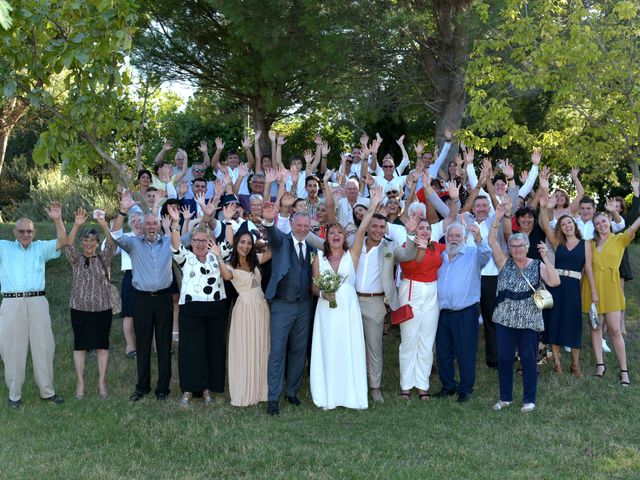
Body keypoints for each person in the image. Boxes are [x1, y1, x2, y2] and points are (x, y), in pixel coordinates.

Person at [310, 186, 383, 410]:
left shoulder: (353, 254)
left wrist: (371, 208)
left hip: (348, 308)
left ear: (344, 238)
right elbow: (314, 287)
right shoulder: (318, 259)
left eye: (339, 233)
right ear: (327, 237)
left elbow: (361, 230)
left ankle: (351, 394)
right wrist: (323, 293)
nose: (335, 235)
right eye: (332, 233)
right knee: (328, 347)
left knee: (348, 347)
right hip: (326, 309)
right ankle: (328, 395)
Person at [489, 204, 560, 413]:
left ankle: (529, 399)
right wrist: (498, 218)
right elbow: (492, 241)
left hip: (529, 319)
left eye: (521, 246)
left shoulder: (537, 265)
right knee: (504, 358)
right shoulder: (504, 263)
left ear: (527, 247)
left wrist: (546, 256)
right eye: (513, 246)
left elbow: (555, 282)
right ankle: (505, 398)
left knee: (528, 359)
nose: (517, 249)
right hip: (504, 319)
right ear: (509, 249)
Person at [109, 191, 174, 402]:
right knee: (143, 344)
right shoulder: (133, 243)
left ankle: (163, 389)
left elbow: (193, 236)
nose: (152, 226)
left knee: (163, 345)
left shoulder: (168, 243)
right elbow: (115, 236)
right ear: (143, 226)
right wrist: (123, 210)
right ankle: (142, 386)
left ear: (159, 225)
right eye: (148, 224)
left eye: (155, 223)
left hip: (164, 299)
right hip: (143, 300)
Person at [0, 202, 67, 408]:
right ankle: (14, 396)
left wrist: (57, 219)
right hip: (12, 302)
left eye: (29, 231)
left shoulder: (41, 247)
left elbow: (63, 241)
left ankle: (48, 392)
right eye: (21, 231)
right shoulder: (4, 247)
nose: (26, 234)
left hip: (38, 301)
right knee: (12, 350)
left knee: (44, 347)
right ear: (14, 231)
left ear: (34, 231)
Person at [168, 208, 230, 407]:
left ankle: (207, 390)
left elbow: (228, 243)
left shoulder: (217, 255)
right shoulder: (186, 258)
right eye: (197, 241)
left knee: (212, 349)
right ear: (192, 243)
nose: (201, 244)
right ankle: (188, 389)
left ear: (210, 242)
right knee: (190, 351)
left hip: (216, 309)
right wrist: (176, 223)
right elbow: (176, 245)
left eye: (205, 240)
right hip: (191, 310)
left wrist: (227, 221)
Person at [262, 205, 316, 415]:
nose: (302, 229)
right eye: (299, 225)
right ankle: (273, 397)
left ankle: (292, 391)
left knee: (299, 350)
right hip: (282, 305)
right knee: (277, 351)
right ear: (292, 224)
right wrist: (268, 221)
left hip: (304, 306)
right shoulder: (281, 241)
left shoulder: (312, 250)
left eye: (306, 226)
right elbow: (272, 234)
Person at [539, 181, 596, 377]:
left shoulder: (586, 244)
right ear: (561, 229)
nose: (567, 226)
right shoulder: (557, 243)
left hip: (573, 287)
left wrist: (594, 293)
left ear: (575, 225)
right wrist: (544, 206)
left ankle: (575, 364)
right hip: (557, 285)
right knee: (555, 321)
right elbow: (546, 225)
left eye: (569, 223)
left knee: (573, 323)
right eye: (563, 225)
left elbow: (588, 269)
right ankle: (557, 363)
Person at [581, 206, 640, 386]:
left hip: (612, 287)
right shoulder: (590, 243)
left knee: (615, 330)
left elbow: (632, 228)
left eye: (604, 221)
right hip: (592, 288)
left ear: (609, 221)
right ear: (595, 227)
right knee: (596, 328)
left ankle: (624, 371)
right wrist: (593, 292)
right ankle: (600, 365)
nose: (601, 225)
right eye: (597, 223)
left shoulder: (620, 239)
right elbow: (588, 268)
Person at [433, 222, 491, 403]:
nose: (454, 239)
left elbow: (486, 254)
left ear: (465, 238)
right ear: (446, 237)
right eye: (451, 235)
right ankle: (448, 385)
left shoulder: (473, 254)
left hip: (465, 312)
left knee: (465, 351)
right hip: (442, 312)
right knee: (443, 351)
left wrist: (479, 238)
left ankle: (465, 389)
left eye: (458, 236)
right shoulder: (440, 256)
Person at [217, 221, 272, 407]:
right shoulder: (229, 264)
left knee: (261, 346)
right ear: (236, 243)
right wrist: (218, 257)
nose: (245, 246)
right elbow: (226, 276)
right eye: (242, 242)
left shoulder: (255, 259)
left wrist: (265, 233)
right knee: (246, 347)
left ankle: (260, 390)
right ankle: (244, 390)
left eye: (249, 242)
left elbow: (273, 250)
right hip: (245, 310)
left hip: (261, 307)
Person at [66, 208, 116, 400]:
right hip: (79, 309)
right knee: (80, 346)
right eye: (85, 240)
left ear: (97, 243)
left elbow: (111, 243)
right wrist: (77, 224)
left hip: (102, 308)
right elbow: (67, 244)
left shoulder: (104, 257)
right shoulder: (76, 259)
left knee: (102, 346)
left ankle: (101, 382)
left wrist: (103, 224)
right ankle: (80, 383)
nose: (88, 244)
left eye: (92, 240)